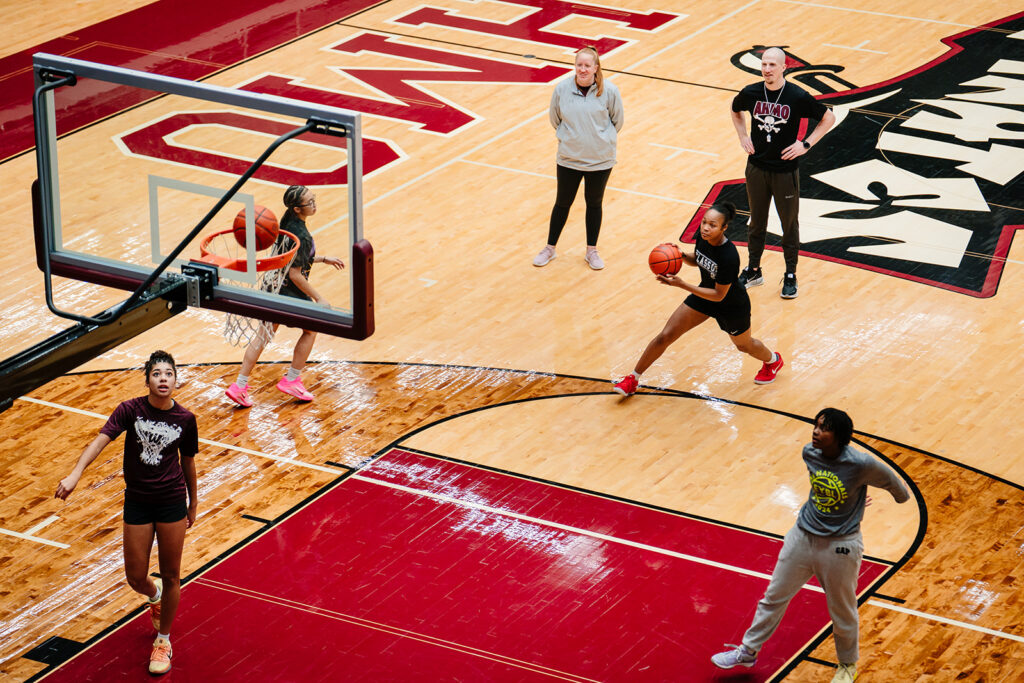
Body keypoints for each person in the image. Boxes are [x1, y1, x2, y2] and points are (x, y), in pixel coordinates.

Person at [711, 408, 911, 683]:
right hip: (802, 536)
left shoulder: (862, 464)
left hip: (840, 547)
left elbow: (896, 485)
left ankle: (847, 665)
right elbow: (822, 489)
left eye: (824, 428)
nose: (816, 432)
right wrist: (849, 500)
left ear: (839, 437)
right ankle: (748, 651)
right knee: (773, 596)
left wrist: (879, 498)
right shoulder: (810, 453)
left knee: (842, 609)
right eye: (816, 426)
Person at [55, 350, 199, 675]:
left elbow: (188, 462)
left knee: (172, 573)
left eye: (169, 374)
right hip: (137, 500)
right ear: (147, 379)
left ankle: (163, 640)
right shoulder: (130, 410)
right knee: (135, 576)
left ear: (176, 380)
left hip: (171, 501)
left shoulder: (186, 419)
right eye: (157, 373)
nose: (163, 379)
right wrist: (76, 473)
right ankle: (154, 595)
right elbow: (99, 441)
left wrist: (193, 502)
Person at [611, 201, 784, 396]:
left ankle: (773, 360)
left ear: (724, 228)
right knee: (665, 335)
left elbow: (719, 295)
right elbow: (700, 259)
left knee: (744, 345)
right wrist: (681, 256)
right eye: (704, 223)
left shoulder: (729, 256)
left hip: (731, 305)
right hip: (704, 294)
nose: (706, 228)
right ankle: (633, 378)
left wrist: (682, 284)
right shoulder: (703, 238)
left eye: (713, 225)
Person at [730, 46, 836, 299]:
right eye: (764, 64)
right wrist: (743, 136)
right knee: (756, 222)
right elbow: (735, 110)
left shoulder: (797, 96)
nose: (767, 69)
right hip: (756, 167)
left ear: (783, 68)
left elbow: (828, 118)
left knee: (789, 225)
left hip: (785, 172)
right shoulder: (752, 92)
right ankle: (754, 269)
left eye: (772, 65)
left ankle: (790, 274)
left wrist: (805, 144)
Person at [225, 185, 345, 407]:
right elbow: (295, 273)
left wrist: (323, 259)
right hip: (289, 291)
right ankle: (292, 379)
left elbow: (290, 260)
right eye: (310, 202)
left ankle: (239, 385)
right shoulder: (303, 235)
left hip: (272, 286)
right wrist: (319, 298)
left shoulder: (285, 224)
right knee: (311, 329)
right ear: (298, 209)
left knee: (263, 335)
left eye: (314, 199)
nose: (314, 204)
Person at [533, 45, 623, 271]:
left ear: (595, 67)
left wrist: (601, 139)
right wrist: (570, 137)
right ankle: (550, 248)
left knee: (594, 203)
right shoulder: (561, 89)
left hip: (600, 160)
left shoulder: (610, 91)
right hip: (569, 159)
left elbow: (617, 121)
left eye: (587, 65)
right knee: (562, 203)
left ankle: (591, 251)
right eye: (579, 65)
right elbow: (555, 119)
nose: (582, 69)